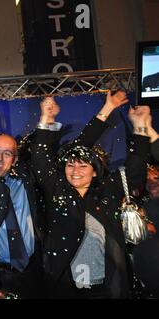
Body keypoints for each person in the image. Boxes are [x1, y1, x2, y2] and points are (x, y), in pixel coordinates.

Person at [31, 94, 153, 298]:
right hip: (65, 286)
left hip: (108, 287)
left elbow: (135, 170)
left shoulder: (107, 190)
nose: (75, 170)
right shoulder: (57, 190)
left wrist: (140, 127)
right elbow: (40, 157)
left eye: (82, 165)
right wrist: (46, 119)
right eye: (70, 165)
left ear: (95, 171)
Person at [0, 61, 62, 298]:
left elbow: (41, 153)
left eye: (7, 153)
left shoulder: (25, 180)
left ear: (15, 159)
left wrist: (46, 120)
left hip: (31, 272)